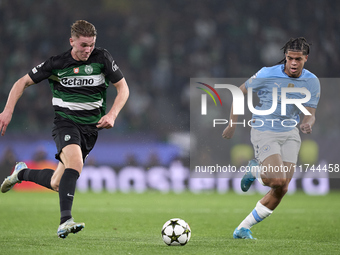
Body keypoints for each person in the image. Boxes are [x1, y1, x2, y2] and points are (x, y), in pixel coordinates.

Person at [0, 20, 129, 238]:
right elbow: (21, 82)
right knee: (76, 163)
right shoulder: (57, 63)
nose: (88, 50)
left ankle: (20, 173)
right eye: (83, 45)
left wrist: (112, 114)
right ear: (72, 41)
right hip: (66, 123)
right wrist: (7, 111)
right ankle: (65, 221)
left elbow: (123, 88)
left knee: (56, 183)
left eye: (91, 44)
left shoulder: (102, 58)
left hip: (91, 129)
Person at [222, 37, 320, 239]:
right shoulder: (267, 73)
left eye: (298, 59)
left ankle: (242, 228)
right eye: (290, 58)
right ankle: (254, 170)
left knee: (282, 187)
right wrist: (232, 123)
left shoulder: (312, 81)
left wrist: (308, 123)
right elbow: (240, 92)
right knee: (276, 178)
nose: (293, 63)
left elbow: (310, 113)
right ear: (285, 56)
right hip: (264, 129)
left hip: (290, 131)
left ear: (306, 58)